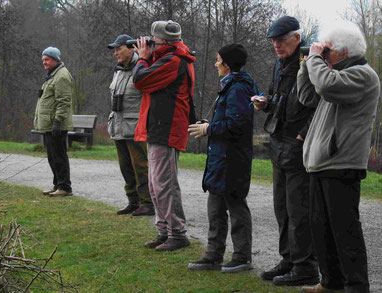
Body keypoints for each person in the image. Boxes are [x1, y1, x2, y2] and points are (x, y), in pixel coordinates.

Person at [297, 21, 380, 293]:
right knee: (321, 229)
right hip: (322, 162)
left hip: (342, 163)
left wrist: (316, 61)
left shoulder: (362, 75)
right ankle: (330, 282)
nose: (324, 53)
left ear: (343, 51)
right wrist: (306, 65)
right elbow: (308, 96)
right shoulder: (333, 73)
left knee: (345, 231)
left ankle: (357, 287)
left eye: (328, 49)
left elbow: (326, 86)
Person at [252, 16, 319, 286]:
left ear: (297, 38)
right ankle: (288, 259)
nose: (276, 45)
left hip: (298, 144)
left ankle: (305, 267)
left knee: (299, 210)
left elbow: (319, 104)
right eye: (273, 41)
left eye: (281, 39)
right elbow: (280, 101)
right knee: (282, 208)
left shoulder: (310, 64)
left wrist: (305, 134)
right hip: (278, 144)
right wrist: (265, 103)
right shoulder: (279, 66)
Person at [187, 43, 258, 273]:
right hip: (221, 159)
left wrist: (209, 129)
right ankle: (213, 254)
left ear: (227, 65)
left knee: (236, 207)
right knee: (215, 207)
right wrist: (210, 126)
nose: (215, 64)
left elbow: (237, 124)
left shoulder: (238, 89)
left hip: (232, 159)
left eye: (218, 60)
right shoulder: (231, 86)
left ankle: (242, 257)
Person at [132, 20, 196, 252]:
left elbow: (140, 80)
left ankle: (177, 233)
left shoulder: (174, 61)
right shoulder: (169, 58)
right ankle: (164, 231)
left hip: (167, 129)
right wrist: (149, 56)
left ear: (165, 43)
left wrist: (142, 57)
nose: (149, 45)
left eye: (153, 42)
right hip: (160, 127)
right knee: (156, 183)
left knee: (165, 184)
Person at [107, 34, 154, 216]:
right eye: (115, 50)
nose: (115, 53)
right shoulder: (118, 70)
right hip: (118, 126)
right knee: (125, 167)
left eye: (119, 49)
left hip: (136, 127)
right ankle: (133, 201)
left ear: (132, 48)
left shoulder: (141, 67)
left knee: (140, 166)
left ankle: (147, 203)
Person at [34, 47, 73, 197]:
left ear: (56, 59)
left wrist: (58, 122)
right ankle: (57, 185)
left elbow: (64, 101)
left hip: (56, 124)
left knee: (59, 156)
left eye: (47, 59)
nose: (44, 62)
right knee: (52, 156)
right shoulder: (52, 75)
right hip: (49, 124)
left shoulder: (61, 76)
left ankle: (65, 187)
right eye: (43, 59)